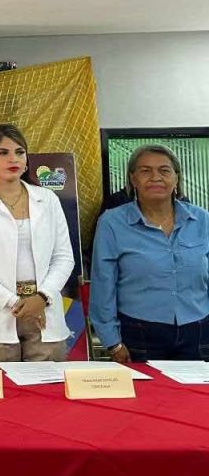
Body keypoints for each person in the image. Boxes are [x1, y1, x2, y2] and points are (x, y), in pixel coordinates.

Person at [0, 124, 74, 362]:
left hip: (44, 310)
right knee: (0, 384)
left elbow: (64, 257)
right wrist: (12, 301)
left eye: (19, 152)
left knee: (48, 384)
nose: (13, 159)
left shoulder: (47, 199)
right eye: (3, 152)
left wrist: (42, 297)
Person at [90, 145, 209, 362]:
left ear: (176, 178)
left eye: (164, 170)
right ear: (133, 179)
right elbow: (103, 285)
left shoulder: (202, 219)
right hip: (138, 334)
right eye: (145, 171)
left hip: (199, 332)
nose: (155, 177)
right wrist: (112, 342)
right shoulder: (112, 222)